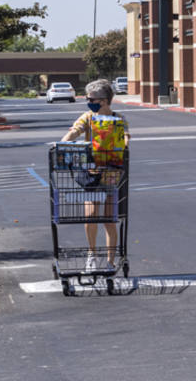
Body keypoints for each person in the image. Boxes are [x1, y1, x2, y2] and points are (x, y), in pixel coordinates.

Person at [60, 78, 127, 271]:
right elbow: (75, 130)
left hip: (112, 173)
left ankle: (110, 262)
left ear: (104, 100)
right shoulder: (88, 117)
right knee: (90, 215)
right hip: (91, 173)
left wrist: (122, 147)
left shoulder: (118, 119)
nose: (89, 102)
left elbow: (126, 138)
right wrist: (63, 143)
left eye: (92, 99)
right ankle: (91, 254)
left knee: (109, 219)